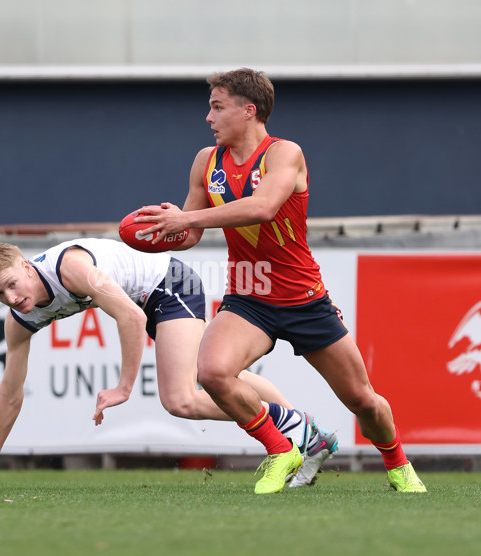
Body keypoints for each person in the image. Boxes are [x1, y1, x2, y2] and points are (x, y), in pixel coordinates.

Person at [134, 68, 427, 494]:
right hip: (248, 298)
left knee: (362, 399)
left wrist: (187, 218)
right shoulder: (206, 161)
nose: (208, 117)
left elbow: (264, 207)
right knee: (213, 373)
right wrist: (162, 233)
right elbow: (192, 233)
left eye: (217, 107)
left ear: (248, 111)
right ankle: (280, 449)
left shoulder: (284, 153)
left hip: (303, 298)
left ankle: (398, 463)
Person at [0, 238, 336, 491]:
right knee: (222, 379)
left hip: (170, 284)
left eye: (13, 283)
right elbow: (9, 394)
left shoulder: (70, 269)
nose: (11, 297)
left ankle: (298, 433)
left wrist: (123, 387)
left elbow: (129, 317)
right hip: (147, 300)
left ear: (27, 266)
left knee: (180, 399)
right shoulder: (20, 320)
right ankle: (303, 435)